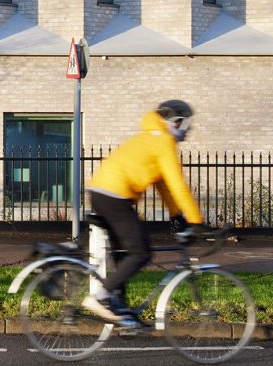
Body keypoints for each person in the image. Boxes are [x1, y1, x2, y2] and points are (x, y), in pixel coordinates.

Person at [81, 100, 204, 329]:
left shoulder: (150, 137)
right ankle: (99, 297)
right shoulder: (164, 141)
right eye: (188, 123)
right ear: (177, 122)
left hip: (101, 191)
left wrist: (176, 215)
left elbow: (164, 184)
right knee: (141, 252)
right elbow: (178, 185)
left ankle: (122, 310)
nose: (189, 128)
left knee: (124, 252)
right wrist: (197, 222)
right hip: (115, 195)